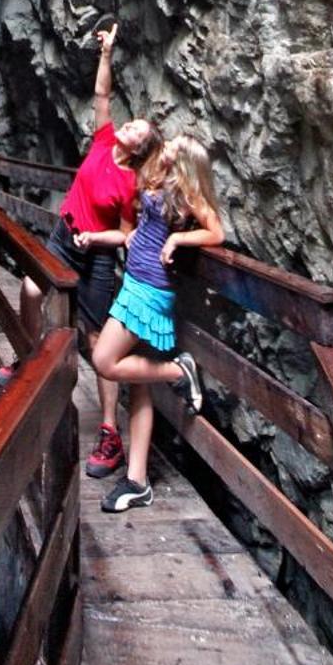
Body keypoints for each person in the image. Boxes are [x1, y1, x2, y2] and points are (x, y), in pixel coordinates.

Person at [0, 23, 160, 480]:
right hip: (65, 235)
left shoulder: (132, 184)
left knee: (95, 339)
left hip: (99, 257)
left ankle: (109, 432)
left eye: (134, 129)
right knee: (31, 290)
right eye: (128, 123)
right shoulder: (104, 141)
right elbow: (102, 97)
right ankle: (28, 361)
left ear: (140, 147)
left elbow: (128, 235)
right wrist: (106, 54)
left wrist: (98, 240)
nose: (124, 125)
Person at [87, 134, 225, 510]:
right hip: (135, 281)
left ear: (183, 161)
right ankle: (137, 480)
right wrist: (130, 236)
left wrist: (180, 241)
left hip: (148, 292)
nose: (167, 145)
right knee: (138, 387)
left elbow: (216, 231)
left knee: (104, 361)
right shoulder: (160, 179)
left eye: (174, 146)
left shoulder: (185, 193)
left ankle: (178, 372)